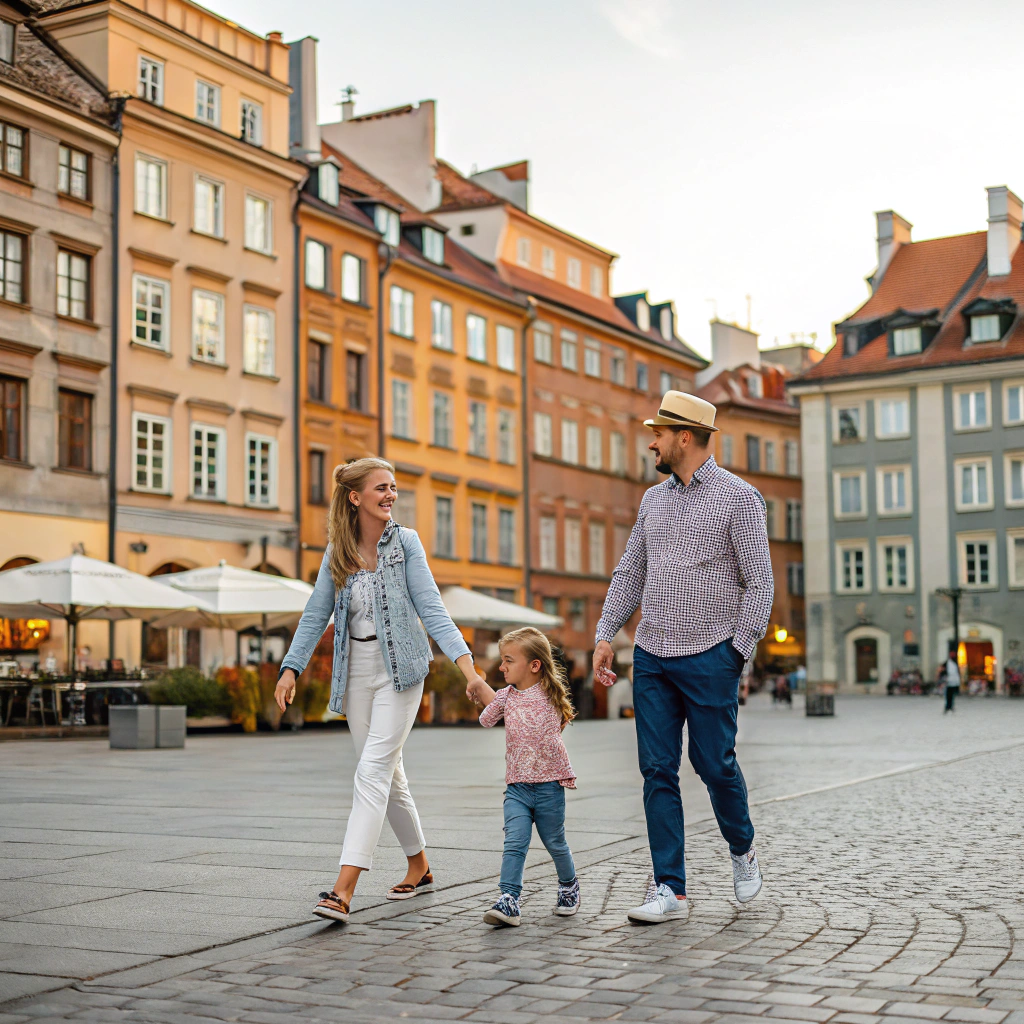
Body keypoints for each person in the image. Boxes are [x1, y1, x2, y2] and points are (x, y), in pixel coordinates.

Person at [275, 458, 487, 924]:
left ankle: (342, 889)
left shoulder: (406, 543)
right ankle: (420, 866)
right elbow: (315, 615)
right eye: (381, 488)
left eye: (393, 488)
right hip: (356, 673)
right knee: (389, 777)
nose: (390, 495)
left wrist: (469, 672)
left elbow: (433, 609)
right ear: (355, 497)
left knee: (371, 771)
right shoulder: (338, 552)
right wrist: (291, 669)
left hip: (403, 670)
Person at [592, 391, 773, 925]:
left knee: (714, 764)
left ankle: (742, 848)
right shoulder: (652, 500)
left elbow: (759, 584)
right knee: (656, 770)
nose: (652, 441)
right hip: (652, 654)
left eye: (659, 433)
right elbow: (631, 572)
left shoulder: (740, 499)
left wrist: (736, 653)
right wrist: (607, 632)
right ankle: (670, 888)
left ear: (685, 436)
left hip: (711, 654)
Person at [466, 627, 580, 927]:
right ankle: (509, 899)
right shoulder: (506, 696)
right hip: (517, 787)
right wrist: (479, 687)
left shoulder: (550, 693)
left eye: (508, 660)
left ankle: (569, 885)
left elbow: (561, 720)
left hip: (549, 787)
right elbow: (486, 719)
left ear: (534, 665)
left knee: (555, 841)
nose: (501, 667)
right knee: (514, 843)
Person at [944, 644, 960, 714]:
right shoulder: (948, 662)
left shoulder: (955, 662)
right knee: (948, 695)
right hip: (949, 681)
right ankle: (948, 706)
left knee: (952, 695)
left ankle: (951, 706)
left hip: (954, 681)